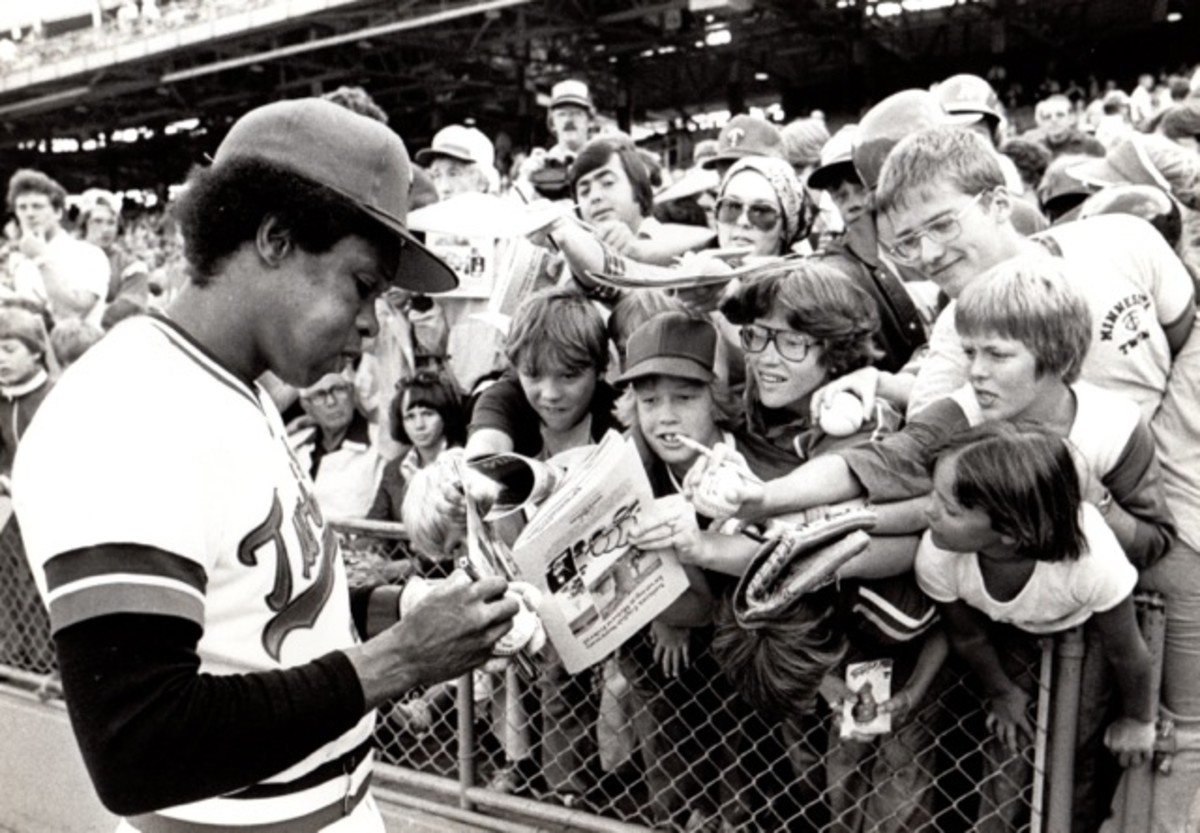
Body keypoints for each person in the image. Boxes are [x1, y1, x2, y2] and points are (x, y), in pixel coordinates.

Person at [11, 97, 520, 831]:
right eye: (362, 285)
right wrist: (401, 660)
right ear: (275, 237)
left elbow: (261, 616)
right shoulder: (123, 409)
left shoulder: (235, 385)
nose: (372, 322)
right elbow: (137, 744)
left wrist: (401, 608)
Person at [917, 423, 1154, 832]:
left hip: (1086, 623)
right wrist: (1002, 691)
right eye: (934, 495)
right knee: (1009, 739)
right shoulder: (939, 553)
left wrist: (1137, 720)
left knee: (1077, 743)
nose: (929, 511)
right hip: (1008, 627)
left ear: (1010, 532)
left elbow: (1128, 651)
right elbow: (968, 636)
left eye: (950, 509)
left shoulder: (1093, 561)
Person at [866, 126, 1193, 421]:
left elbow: (1191, 345)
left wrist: (1168, 460)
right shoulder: (954, 333)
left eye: (942, 225)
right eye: (908, 242)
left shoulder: (1122, 242)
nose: (928, 255)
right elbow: (923, 444)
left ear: (998, 204)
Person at [5, 168, 110, 327]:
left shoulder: (89, 254)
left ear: (58, 213)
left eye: (37, 206)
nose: (29, 214)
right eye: (22, 207)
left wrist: (41, 260)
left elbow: (73, 314)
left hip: (85, 349)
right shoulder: (21, 263)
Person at [367, 369, 465, 523]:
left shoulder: (464, 464)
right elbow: (374, 528)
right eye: (410, 416)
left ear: (446, 415)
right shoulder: (394, 470)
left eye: (428, 414)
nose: (419, 425)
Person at [289, 366, 386, 519]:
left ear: (352, 393)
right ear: (306, 406)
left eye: (338, 390)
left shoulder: (380, 444)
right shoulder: (294, 446)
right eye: (319, 395)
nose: (331, 401)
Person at [1022, 93, 1106, 159]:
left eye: (1060, 115)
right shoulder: (1036, 148)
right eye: (1047, 117)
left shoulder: (1091, 145)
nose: (1053, 120)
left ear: (1071, 118)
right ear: (1042, 122)